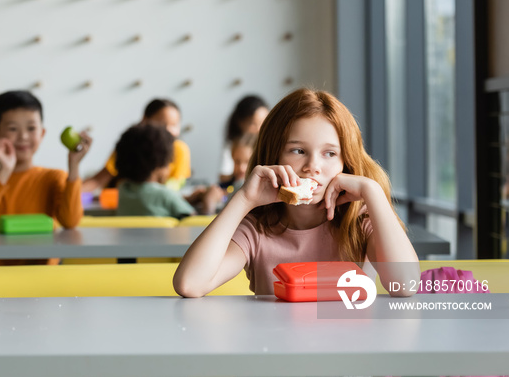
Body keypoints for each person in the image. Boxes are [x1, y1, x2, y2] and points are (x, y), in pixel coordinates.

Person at [173, 88, 419, 297]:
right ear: (274, 156)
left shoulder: (360, 220)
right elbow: (190, 284)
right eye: (298, 151)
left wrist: (372, 191)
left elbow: (405, 285)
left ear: (346, 162)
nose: (313, 166)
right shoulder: (256, 228)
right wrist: (244, 199)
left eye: (330, 153)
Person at [0, 90, 91, 265]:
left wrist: (74, 166)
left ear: (42, 133)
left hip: (44, 280)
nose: (23, 136)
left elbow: (70, 222)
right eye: (12, 129)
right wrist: (4, 171)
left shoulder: (54, 177)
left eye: (31, 128)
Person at [82, 98, 191, 192]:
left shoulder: (180, 149)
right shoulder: (130, 145)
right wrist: (72, 193)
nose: (168, 131)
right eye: (162, 124)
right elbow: (98, 180)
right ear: (145, 120)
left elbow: (176, 184)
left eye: (174, 125)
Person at [115, 123, 195, 219]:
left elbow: (149, 197)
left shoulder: (124, 189)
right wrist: (209, 203)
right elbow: (194, 224)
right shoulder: (166, 195)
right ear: (159, 164)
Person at [219, 95, 269, 183]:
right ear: (240, 123)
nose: (260, 128)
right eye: (253, 123)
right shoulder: (233, 145)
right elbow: (224, 176)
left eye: (264, 122)